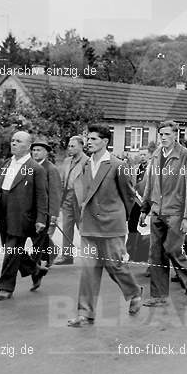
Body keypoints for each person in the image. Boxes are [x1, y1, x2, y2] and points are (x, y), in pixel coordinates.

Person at [67, 124, 143, 327]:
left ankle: (134, 291)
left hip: (112, 224)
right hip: (90, 225)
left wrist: (119, 217)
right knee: (89, 270)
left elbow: (129, 196)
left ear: (105, 142)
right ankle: (85, 313)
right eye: (88, 139)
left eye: (93, 139)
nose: (89, 142)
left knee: (115, 265)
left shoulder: (118, 165)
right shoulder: (84, 164)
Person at [139, 120, 187, 306]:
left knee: (172, 249)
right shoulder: (157, 154)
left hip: (176, 212)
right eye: (161, 134)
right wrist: (144, 208)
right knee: (156, 254)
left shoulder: (186, 156)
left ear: (176, 135)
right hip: (157, 210)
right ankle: (159, 296)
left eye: (167, 134)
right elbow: (150, 182)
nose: (163, 138)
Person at [0, 131, 49, 300]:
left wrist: (41, 219)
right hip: (3, 212)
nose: (13, 143)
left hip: (22, 215)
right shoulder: (7, 163)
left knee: (11, 250)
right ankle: (35, 269)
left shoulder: (35, 168)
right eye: (12, 140)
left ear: (28, 146)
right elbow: (1, 186)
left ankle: (5, 287)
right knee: (11, 248)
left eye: (18, 141)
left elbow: (42, 196)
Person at [54, 136, 88, 265]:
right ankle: (67, 256)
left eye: (73, 146)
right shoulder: (67, 161)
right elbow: (61, 179)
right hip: (67, 197)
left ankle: (89, 256)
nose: (70, 148)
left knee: (83, 228)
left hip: (80, 198)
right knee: (66, 227)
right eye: (69, 146)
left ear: (81, 146)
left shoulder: (87, 161)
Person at [30, 140, 62, 268]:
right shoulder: (30, 166)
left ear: (46, 153)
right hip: (32, 208)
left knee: (38, 236)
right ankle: (50, 253)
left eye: (39, 150)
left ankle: (36, 264)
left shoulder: (51, 169)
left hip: (45, 210)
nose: (35, 153)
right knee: (37, 236)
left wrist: (54, 214)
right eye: (34, 150)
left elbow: (55, 192)